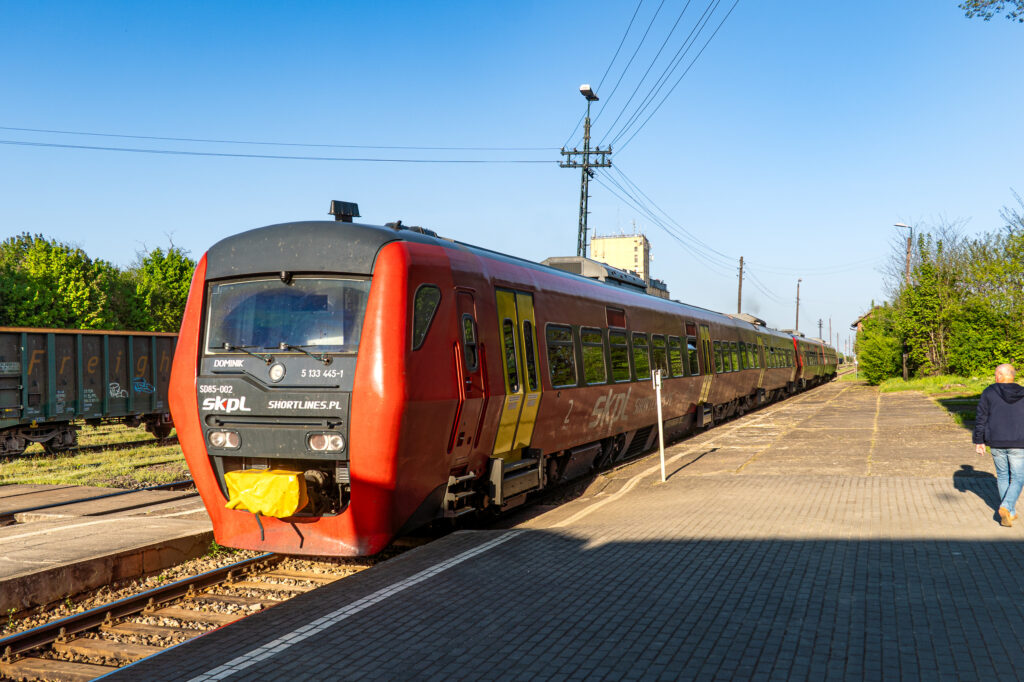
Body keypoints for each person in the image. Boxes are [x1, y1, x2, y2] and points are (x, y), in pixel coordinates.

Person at [973, 363, 1024, 526]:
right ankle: (1006, 507)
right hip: (1018, 442)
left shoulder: (989, 392)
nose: (995, 377)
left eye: (996, 374)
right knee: (1018, 477)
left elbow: (981, 417)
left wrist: (979, 440)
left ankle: (1010, 511)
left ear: (1001, 376)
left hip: (996, 442)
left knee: (1003, 476)